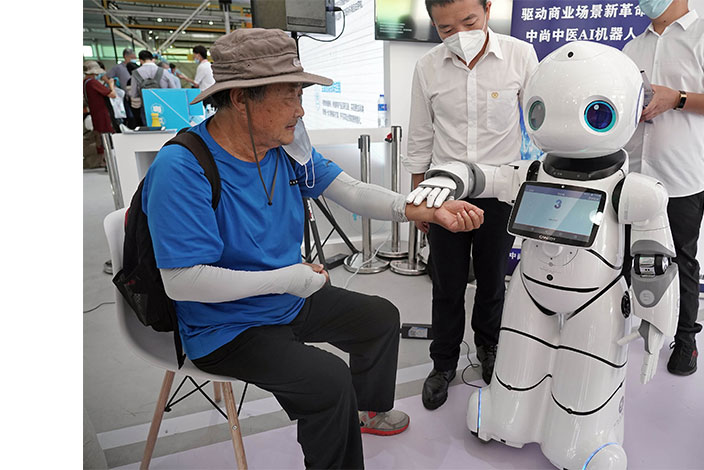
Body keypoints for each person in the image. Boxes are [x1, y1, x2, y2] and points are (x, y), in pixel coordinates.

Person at [141, 28, 485, 469]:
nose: (300, 110)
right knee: (329, 382)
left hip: (287, 298)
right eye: (289, 97)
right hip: (225, 326)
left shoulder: (285, 149)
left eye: (300, 95)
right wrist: (289, 278)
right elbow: (183, 281)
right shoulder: (183, 167)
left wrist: (422, 209)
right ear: (241, 98)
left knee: (379, 318)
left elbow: (351, 190)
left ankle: (367, 412)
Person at [403, 0, 538, 410]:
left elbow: (539, 123)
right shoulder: (427, 67)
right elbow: (420, 135)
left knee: (493, 279)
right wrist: (419, 200)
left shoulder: (520, 56)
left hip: (500, 190)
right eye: (446, 29)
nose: (459, 35)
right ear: (433, 24)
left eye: (469, 21)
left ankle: (489, 347)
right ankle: (443, 363)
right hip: (445, 192)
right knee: (446, 283)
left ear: (487, 9)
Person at [622, 0, 704, 376]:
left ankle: (686, 339)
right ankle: (622, 327)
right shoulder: (632, 47)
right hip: (632, 175)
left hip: (680, 178)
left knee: (682, 262)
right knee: (624, 258)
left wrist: (677, 98)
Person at [129, 50, 177, 126]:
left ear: (140, 60)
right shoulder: (164, 72)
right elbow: (174, 90)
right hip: (164, 106)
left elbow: (134, 93)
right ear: (152, 59)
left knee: (150, 129)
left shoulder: (135, 73)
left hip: (146, 107)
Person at [83, 60, 116, 167]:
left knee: (99, 136)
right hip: (102, 113)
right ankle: (107, 160)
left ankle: (102, 160)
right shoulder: (93, 82)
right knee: (106, 135)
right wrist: (111, 84)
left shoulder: (85, 82)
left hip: (95, 113)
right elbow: (112, 94)